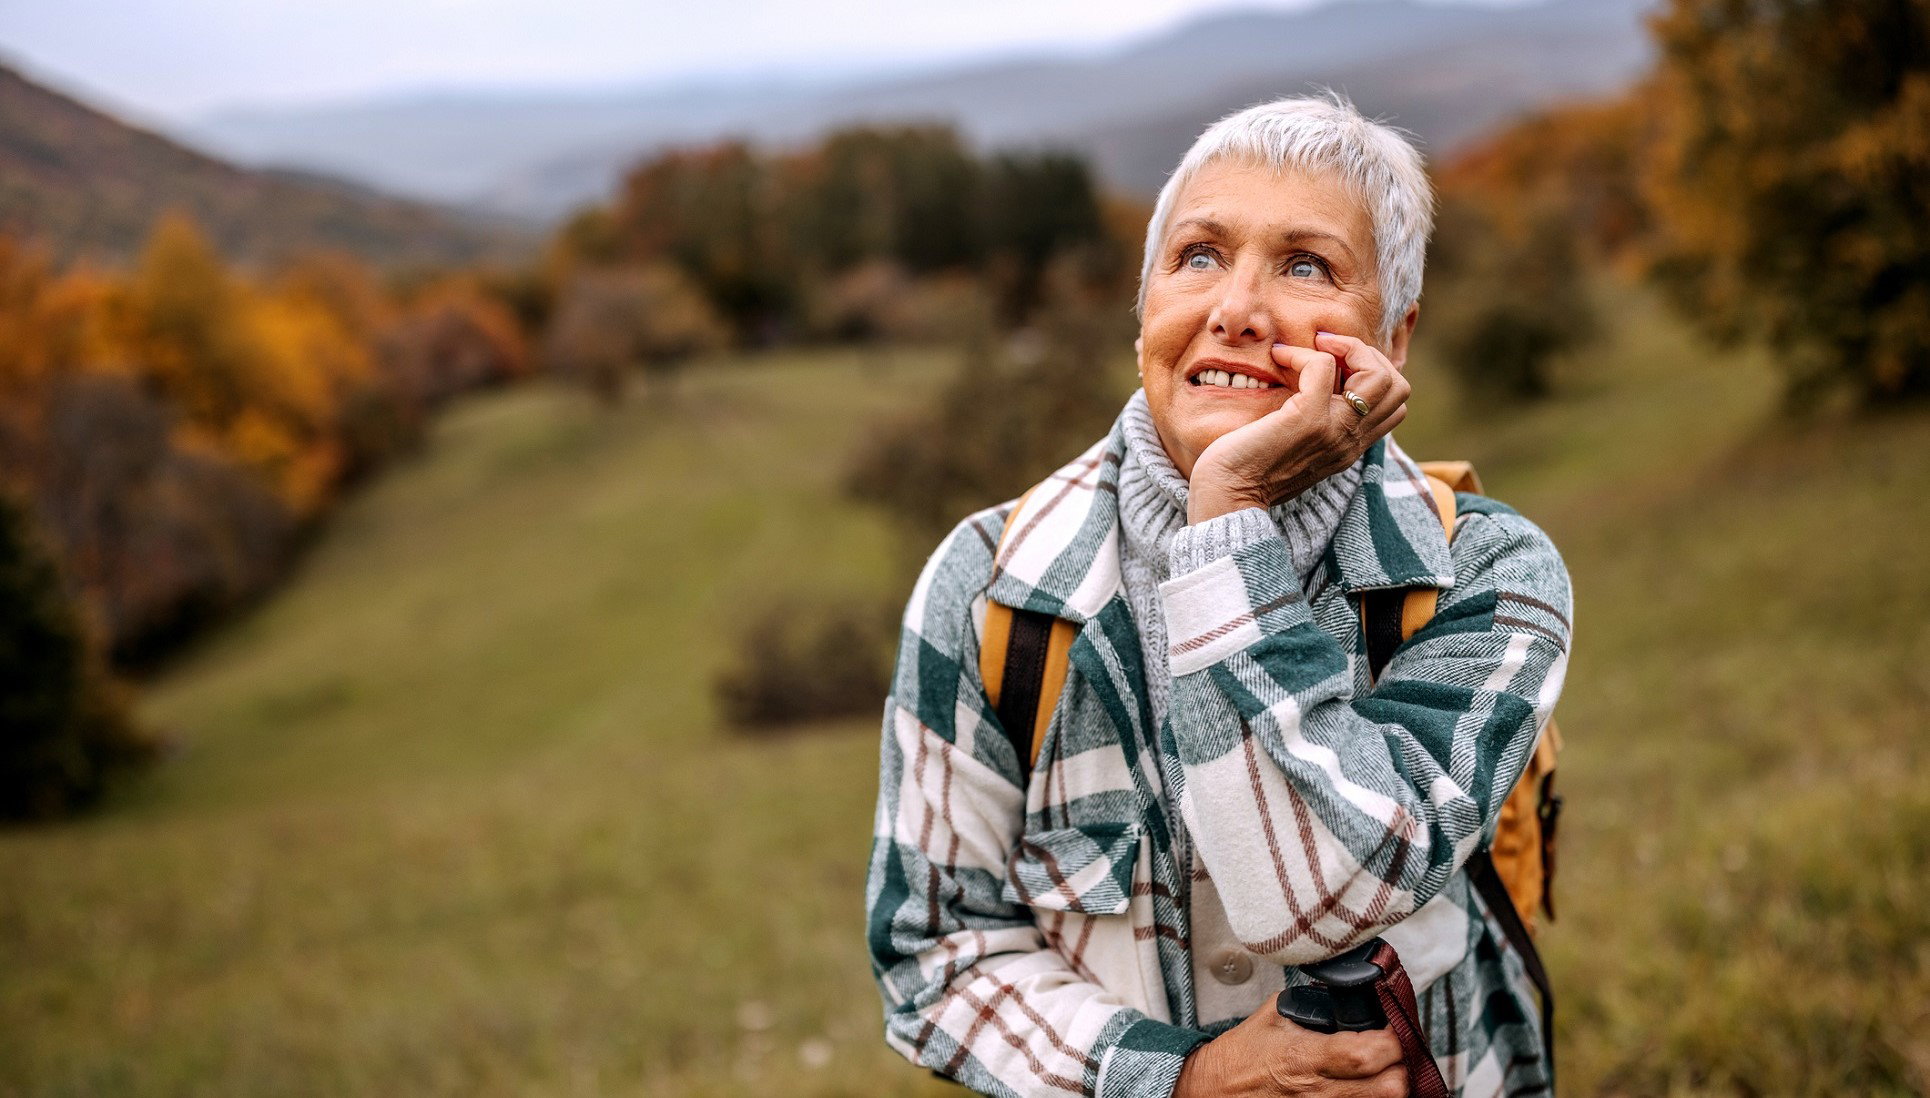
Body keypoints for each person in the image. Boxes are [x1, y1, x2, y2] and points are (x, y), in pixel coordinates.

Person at [864, 93, 1572, 1098]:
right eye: (1197, 255)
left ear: (1394, 338)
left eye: (1304, 265)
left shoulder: (1490, 574)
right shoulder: (986, 586)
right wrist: (1181, 1079)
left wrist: (1227, 514)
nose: (1234, 307)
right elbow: (934, 955)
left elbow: (1314, 900)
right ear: (1145, 307)